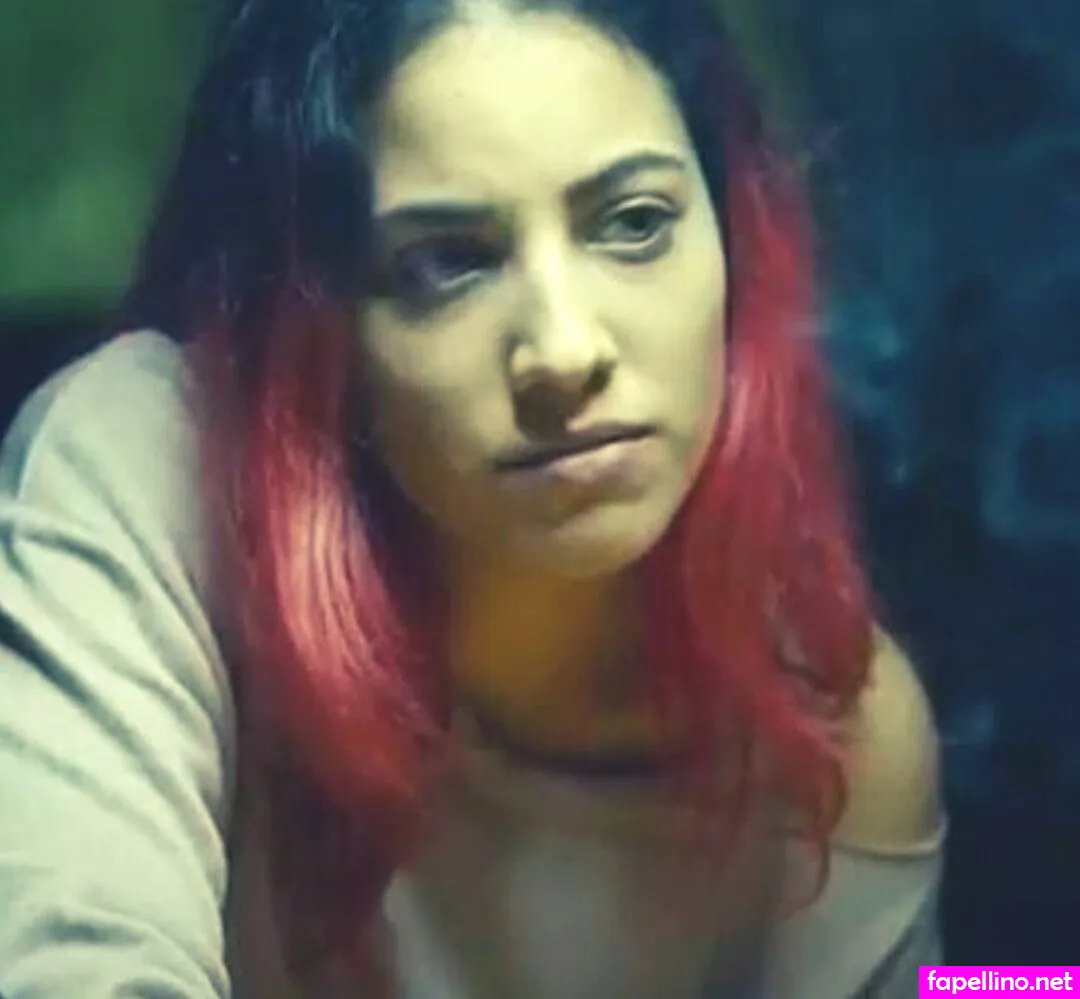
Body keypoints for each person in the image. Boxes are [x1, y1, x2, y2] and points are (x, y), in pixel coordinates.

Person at [0, 0, 944, 995]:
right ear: (320, 320)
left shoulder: (828, 722)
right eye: (446, 263)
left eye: (635, 224)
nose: (564, 351)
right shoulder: (158, 457)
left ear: (734, 244)